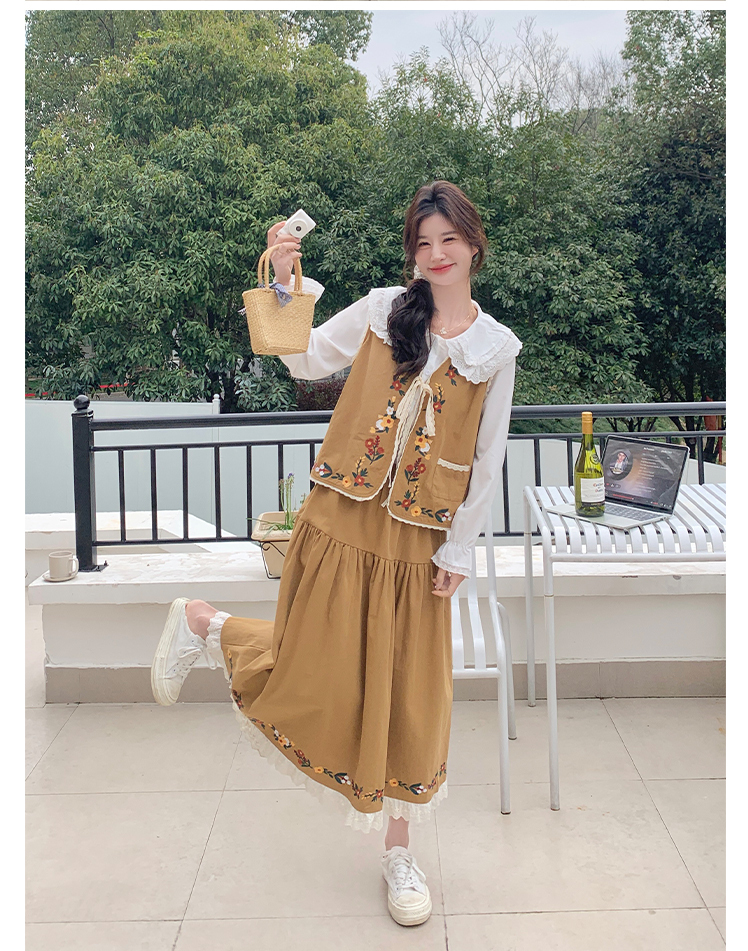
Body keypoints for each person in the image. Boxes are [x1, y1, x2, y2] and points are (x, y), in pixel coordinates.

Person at [150, 181, 521, 928]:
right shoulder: (385, 310)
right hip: (339, 519)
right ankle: (205, 625)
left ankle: (398, 852)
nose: (436, 254)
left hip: (418, 541)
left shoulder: (496, 349)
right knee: (308, 662)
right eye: (423, 242)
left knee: (407, 691)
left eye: (448, 240)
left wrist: (459, 550)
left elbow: (488, 458)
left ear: (474, 245)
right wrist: (285, 283)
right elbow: (302, 359)